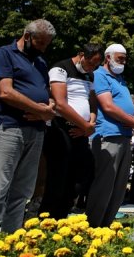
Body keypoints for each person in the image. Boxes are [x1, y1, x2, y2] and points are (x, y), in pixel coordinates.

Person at [0, 20, 56, 231]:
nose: (43, 48)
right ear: (27, 36)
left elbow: (46, 94)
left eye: (47, 44)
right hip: (8, 130)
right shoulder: (4, 54)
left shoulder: (40, 62)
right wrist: (39, 110)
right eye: (40, 43)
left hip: (35, 132)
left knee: (22, 192)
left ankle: (9, 241)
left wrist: (49, 106)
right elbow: (5, 92)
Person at [39, 44, 103, 218]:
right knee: (58, 176)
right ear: (82, 55)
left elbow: (92, 101)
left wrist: (90, 122)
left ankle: (62, 214)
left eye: (96, 65)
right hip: (61, 128)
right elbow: (60, 103)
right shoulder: (61, 68)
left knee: (81, 174)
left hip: (81, 131)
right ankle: (46, 217)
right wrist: (84, 125)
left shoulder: (89, 75)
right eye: (91, 63)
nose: (93, 68)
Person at [86, 44, 134, 227]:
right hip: (109, 136)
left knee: (118, 189)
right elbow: (108, 106)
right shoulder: (100, 75)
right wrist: (133, 120)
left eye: (125, 59)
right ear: (108, 57)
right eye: (120, 58)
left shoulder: (120, 79)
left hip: (125, 136)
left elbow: (127, 102)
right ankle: (94, 227)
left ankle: (106, 226)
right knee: (104, 186)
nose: (123, 62)